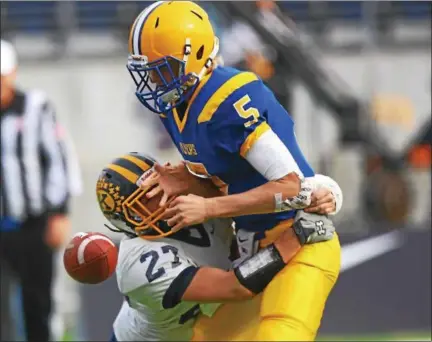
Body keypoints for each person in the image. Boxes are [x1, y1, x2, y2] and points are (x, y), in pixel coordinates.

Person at [126, 2, 341, 340]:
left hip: (301, 237)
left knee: (278, 335)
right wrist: (186, 177)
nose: (153, 79)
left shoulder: (227, 99)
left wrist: (209, 208)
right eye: (149, 70)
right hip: (256, 249)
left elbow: (293, 187)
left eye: (162, 69)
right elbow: (227, 175)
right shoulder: (176, 106)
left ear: (194, 56)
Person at [96, 152, 342, 341]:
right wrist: (295, 237)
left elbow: (274, 188)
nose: (163, 196)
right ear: (129, 219)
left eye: (158, 185)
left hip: (207, 327)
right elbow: (235, 287)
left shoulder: (193, 193)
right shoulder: (139, 263)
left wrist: (326, 191)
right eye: (146, 198)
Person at [0, 39, 82, 341]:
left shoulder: (36, 107)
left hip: (33, 223)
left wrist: (60, 212)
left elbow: (60, 158)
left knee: (38, 304)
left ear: (13, 73)